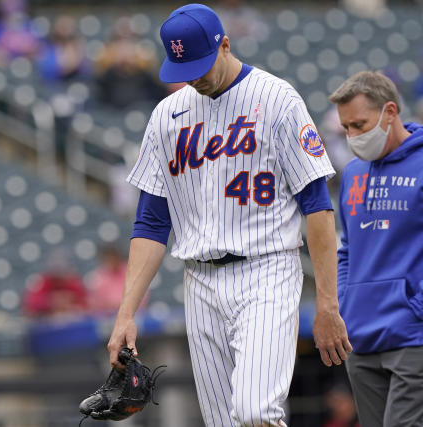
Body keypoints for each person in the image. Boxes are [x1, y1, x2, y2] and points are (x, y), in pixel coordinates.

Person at [106, 4, 351, 427]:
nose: (193, 76)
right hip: (199, 280)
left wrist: (327, 302)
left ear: (225, 44)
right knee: (223, 423)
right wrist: (126, 312)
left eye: (200, 63)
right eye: (183, 67)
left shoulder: (277, 99)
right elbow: (150, 222)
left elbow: (317, 205)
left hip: (267, 269)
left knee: (256, 411)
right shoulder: (166, 116)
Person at [329, 71, 423, 426]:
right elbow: (349, 250)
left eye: (360, 124)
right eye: (346, 128)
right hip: (362, 333)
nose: (354, 135)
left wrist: (422, 303)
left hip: (419, 330)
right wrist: (346, 303)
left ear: (390, 112)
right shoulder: (353, 173)